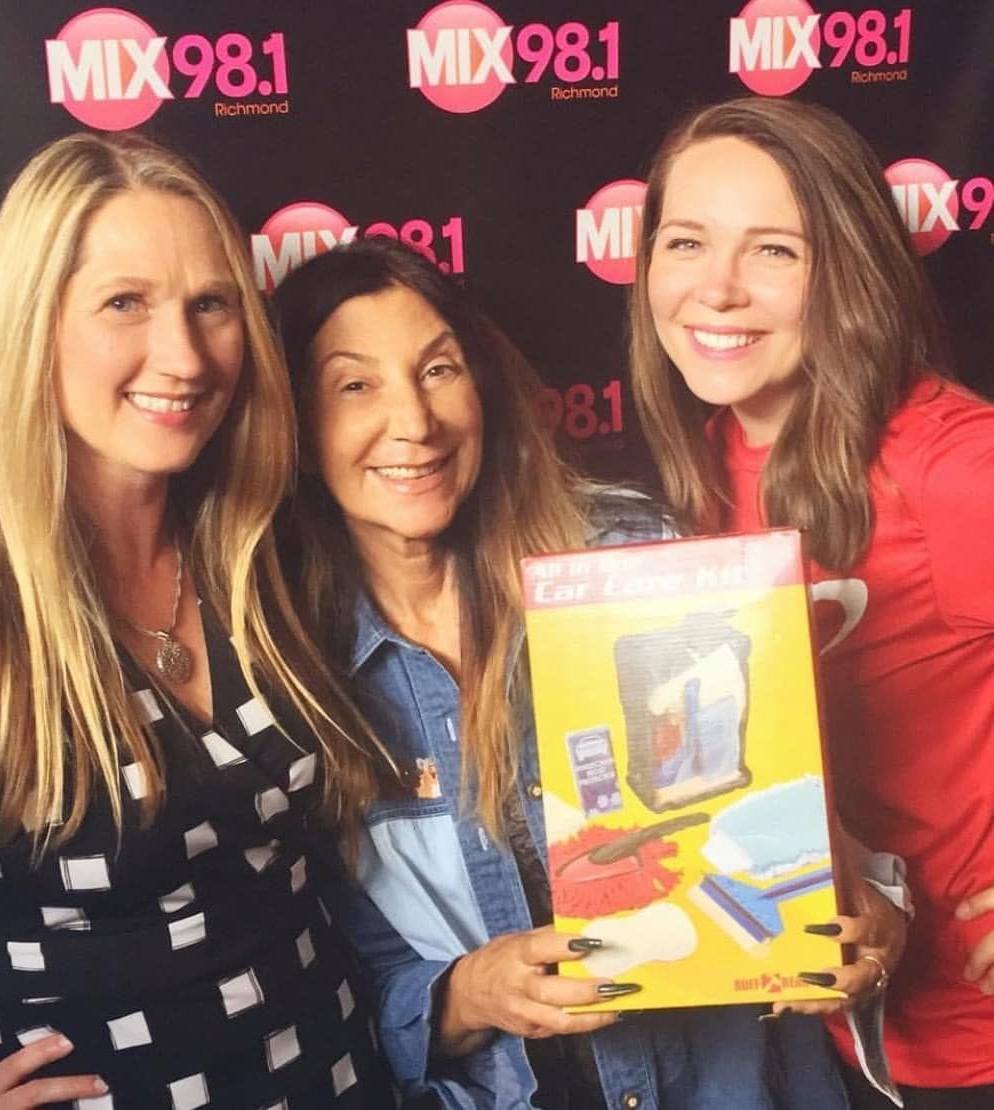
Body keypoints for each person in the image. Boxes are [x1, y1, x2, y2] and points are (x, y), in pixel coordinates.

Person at [271, 235, 861, 1109]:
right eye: (355, 384)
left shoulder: (636, 561)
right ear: (294, 423)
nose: (414, 422)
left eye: (437, 371)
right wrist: (466, 995)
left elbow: (776, 833)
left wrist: (845, 918)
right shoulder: (287, 669)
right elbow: (330, 978)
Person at [0, 132, 395, 1108]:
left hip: (337, 1076)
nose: (185, 355)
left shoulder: (256, 547)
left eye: (212, 304)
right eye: (125, 304)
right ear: (36, 325)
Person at [628, 96, 994, 1109]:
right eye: (686, 241)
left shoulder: (949, 464)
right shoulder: (710, 459)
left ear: (848, 270)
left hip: (973, 1049)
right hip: (830, 1028)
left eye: (776, 251)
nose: (718, 288)